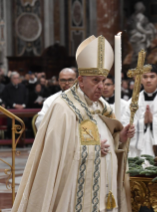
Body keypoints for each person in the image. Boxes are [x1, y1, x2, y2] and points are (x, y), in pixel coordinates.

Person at [12, 35, 135, 212]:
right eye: (95, 81)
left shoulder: (102, 107)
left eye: (103, 81)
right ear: (81, 81)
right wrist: (92, 148)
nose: (101, 86)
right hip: (73, 190)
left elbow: (111, 139)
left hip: (104, 187)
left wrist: (121, 137)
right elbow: (55, 151)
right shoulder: (63, 107)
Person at [122, 64, 157, 157]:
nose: (148, 80)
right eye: (145, 77)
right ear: (141, 79)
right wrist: (142, 122)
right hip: (137, 152)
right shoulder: (133, 102)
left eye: (152, 77)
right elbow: (124, 124)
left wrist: (154, 121)